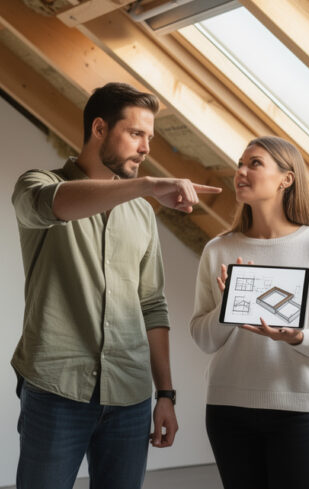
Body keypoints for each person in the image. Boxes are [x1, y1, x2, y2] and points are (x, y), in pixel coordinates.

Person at [11, 82, 221, 489]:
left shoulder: (142, 214)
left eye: (150, 138)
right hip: (57, 388)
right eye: (136, 134)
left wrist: (166, 395)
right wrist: (146, 186)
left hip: (130, 395)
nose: (145, 148)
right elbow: (54, 205)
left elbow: (152, 305)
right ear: (100, 129)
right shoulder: (37, 183)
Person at [190, 136, 309, 489]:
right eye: (239, 164)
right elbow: (203, 339)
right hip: (227, 407)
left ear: (286, 179)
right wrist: (226, 306)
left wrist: (298, 336)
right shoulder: (218, 249)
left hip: (299, 409)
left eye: (255, 163)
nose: (241, 172)